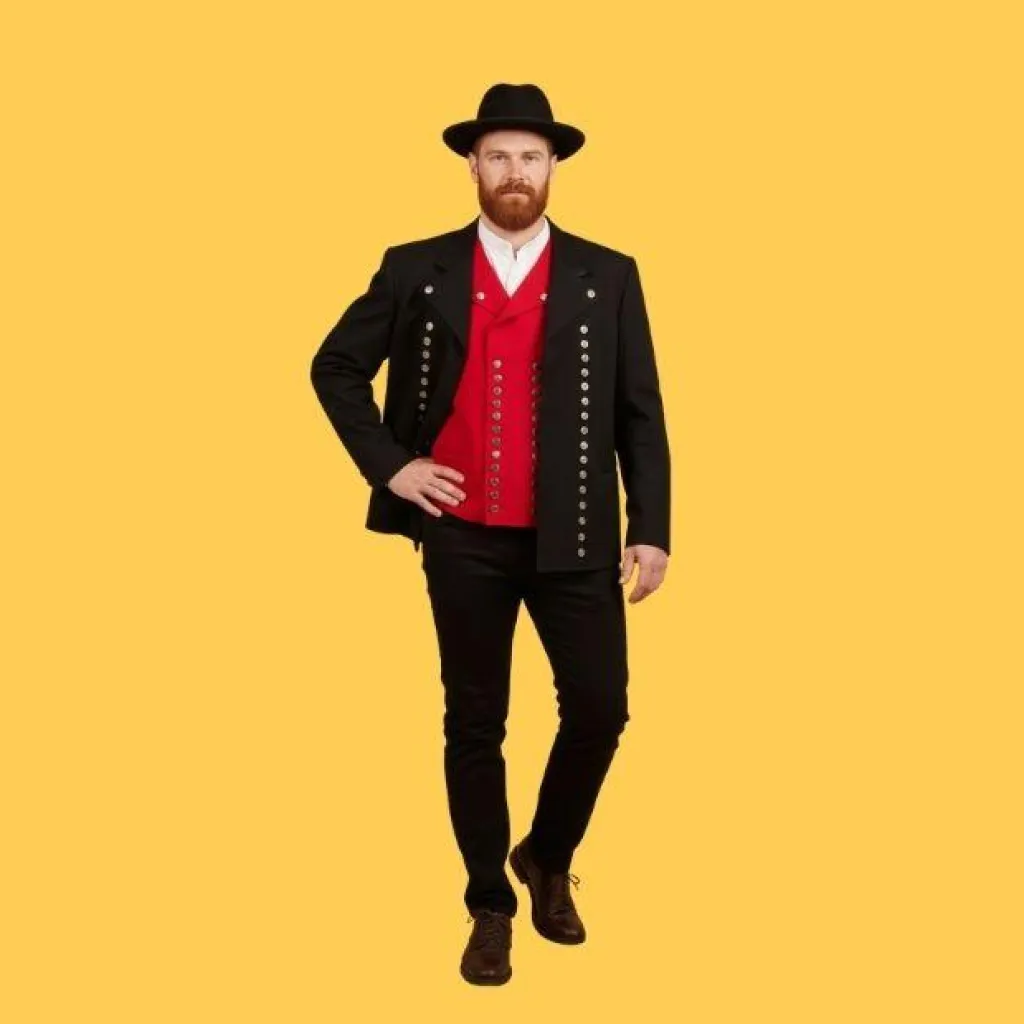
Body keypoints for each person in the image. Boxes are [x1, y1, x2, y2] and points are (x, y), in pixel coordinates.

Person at [310, 83, 671, 986]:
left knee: (601, 708)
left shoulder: (608, 273)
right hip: (462, 535)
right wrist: (392, 466)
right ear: (473, 165)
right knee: (474, 721)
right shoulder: (416, 266)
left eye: (531, 157)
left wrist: (651, 526)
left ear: (554, 168)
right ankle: (489, 905)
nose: (516, 172)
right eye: (500, 156)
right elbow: (336, 365)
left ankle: (546, 855)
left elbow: (640, 410)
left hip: (576, 534)